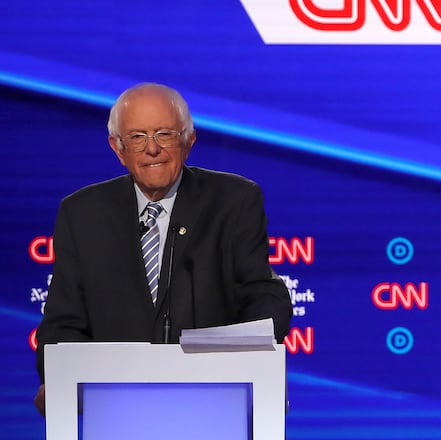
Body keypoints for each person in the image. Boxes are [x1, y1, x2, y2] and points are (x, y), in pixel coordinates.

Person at [34, 83, 293, 415]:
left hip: (214, 404)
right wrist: (62, 379)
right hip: (115, 409)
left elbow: (262, 297)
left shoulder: (233, 201)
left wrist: (243, 365)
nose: (151, 149)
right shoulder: (82, 213)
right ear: (117, 147)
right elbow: (61, 322)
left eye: (164, 134)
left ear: (189, 141)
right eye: (138, 137)